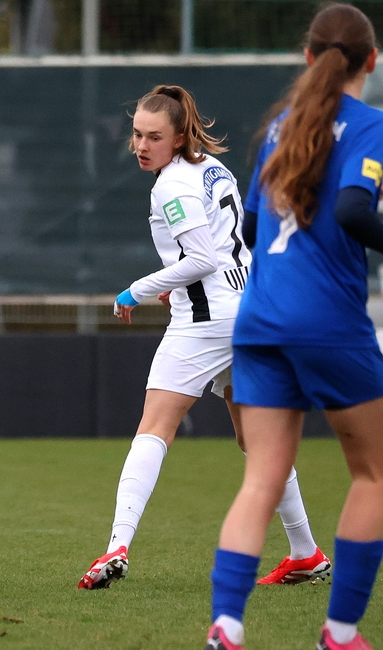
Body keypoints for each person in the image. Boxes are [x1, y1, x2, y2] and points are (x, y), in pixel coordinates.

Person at [78, 85, 328, 590]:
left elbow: (203, 259)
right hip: (250, 312)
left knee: (154, 427)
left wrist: (136, 290)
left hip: (207, 322)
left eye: (154, 137)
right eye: (136, 135)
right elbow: (219, 247)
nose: (142, 146)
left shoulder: (171, 186)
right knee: (254, 439)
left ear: (178, 137)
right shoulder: (212, 168)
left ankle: (116, 546)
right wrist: (178, 282)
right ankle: (305, 553)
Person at [206, 5, 383, 649]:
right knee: (374, 474)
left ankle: (225, 628)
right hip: (326, 321)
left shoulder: (281, 125)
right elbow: (356, 210)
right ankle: (339, 633)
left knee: (261, 480)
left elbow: (250, 231)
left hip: (259, 316)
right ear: (372, 60)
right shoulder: (370, 125)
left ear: (308, 58)